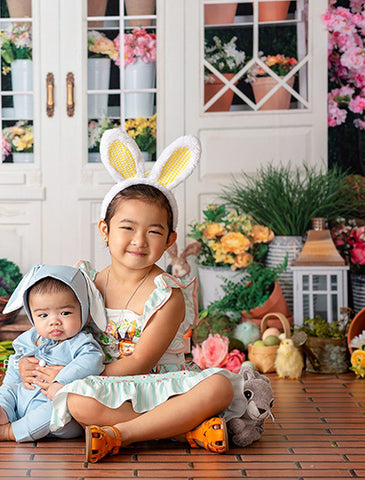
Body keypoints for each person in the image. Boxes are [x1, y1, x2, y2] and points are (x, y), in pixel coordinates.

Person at [19, 128, 247, 462]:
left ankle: (120, 435)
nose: (139, 241)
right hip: (104, 389)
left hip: (159, 388)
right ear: (105, 230)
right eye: (127, 228)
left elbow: (141, 362)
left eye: (153, 231)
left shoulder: (168, 295)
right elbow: (52, 328)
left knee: (220, 388)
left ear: (170, 240)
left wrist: (72, 375)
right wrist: (30, 364)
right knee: (76, 402)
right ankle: (184, 430)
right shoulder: (84, 282)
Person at [0, 264, 107, 443]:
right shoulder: (29, 338)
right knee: (7, 390)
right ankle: (5, 410)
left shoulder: (81, 342)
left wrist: (61, 380)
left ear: (84, 313)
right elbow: (15, 361)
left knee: (57, 407)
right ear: (32, 316)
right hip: (25, 396)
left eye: (65, 312)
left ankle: (10, 431)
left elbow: (92, 361)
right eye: (43, 316)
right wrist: (17, 372)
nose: (54, 322)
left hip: (56, 415)